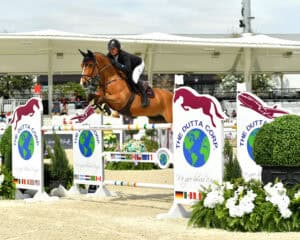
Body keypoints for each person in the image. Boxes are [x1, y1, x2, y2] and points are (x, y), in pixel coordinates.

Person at [106, 38, 149, 107]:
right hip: (128, 67)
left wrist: (116, 64)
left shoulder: (124, 55)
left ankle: (144, 96)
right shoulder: (109, 55)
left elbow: (127, 69)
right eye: (110, 49)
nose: (111, 51)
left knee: (134, 78)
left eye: (113, 49)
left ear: (118, 48)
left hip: (138, 65)